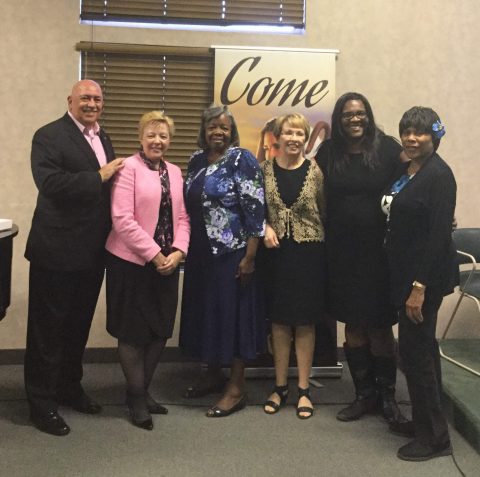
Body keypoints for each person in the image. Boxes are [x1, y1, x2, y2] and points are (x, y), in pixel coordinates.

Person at [24, 80, 125, 436]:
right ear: (70, 100)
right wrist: (99, 175)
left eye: (98, 98)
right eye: (85, 97)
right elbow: (51, 184)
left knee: (77, 327)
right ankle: (41, 403)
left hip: (92, 252)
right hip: (56, 251)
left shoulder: (103, 137)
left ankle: (69, 387)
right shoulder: (48, 136)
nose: (92, 103)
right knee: (47, 330)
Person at [315, 92, 407, 425]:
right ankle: (363, 395)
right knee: (353, 326)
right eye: (347, 115)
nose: (355, 120)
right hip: (342, 254)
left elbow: (414, 181)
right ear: (339, 120)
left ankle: (387, 398)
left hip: (380, 254)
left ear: (368, 115)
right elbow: (312, 192)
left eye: (360, 113)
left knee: (381, 328)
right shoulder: (328, 152)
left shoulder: (387, 149)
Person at [105, 111, 190, 430]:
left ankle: (143, 390)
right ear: (140, 138)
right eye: (152, 134)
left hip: (168, 263)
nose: (158, 140)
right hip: (131, 263)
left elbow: (184, 218)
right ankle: (136, 396)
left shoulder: (176, 171)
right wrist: (156, 255)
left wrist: (179, 251)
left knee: (159, 330)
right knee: (132, 332)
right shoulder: (129, 169)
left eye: (164, 135)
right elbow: (122, 219)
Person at [180, 105, 265, 417]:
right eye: (212, 126)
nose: (218, 132)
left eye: (224, 127)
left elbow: (256, 209)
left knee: (234, 317)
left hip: (233, 253)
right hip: (200, 252)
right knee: (208, 314)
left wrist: (250, 256)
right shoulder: (195, 160)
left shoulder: (242, 159)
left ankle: (236, 386)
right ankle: (212, 373)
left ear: (232, 132)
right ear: (203, 130)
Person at [381, 107, 456, 461]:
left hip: (424, 279)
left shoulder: (440, 175)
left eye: (420, 133)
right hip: (404, 273)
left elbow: (438, 237)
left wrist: (419, 286)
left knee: (415, 354)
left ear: (435, 136)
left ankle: (435, 440)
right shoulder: (409, 169)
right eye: (407, 131)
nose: (412, 137)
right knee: (420, 351)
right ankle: (428, 423)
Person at [261, 114, 326, 419]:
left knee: (304, 322)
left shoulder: (316, 172)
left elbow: (325, 211)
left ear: (306, 138)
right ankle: (279, 386)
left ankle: (303, 390)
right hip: (275, 256)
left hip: (309, 256)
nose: (294, 138)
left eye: (300, 133)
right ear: (278, 137)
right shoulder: (265, 171)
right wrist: (264, 227)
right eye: (288, 132)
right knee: (279, 322)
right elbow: (254, 209)